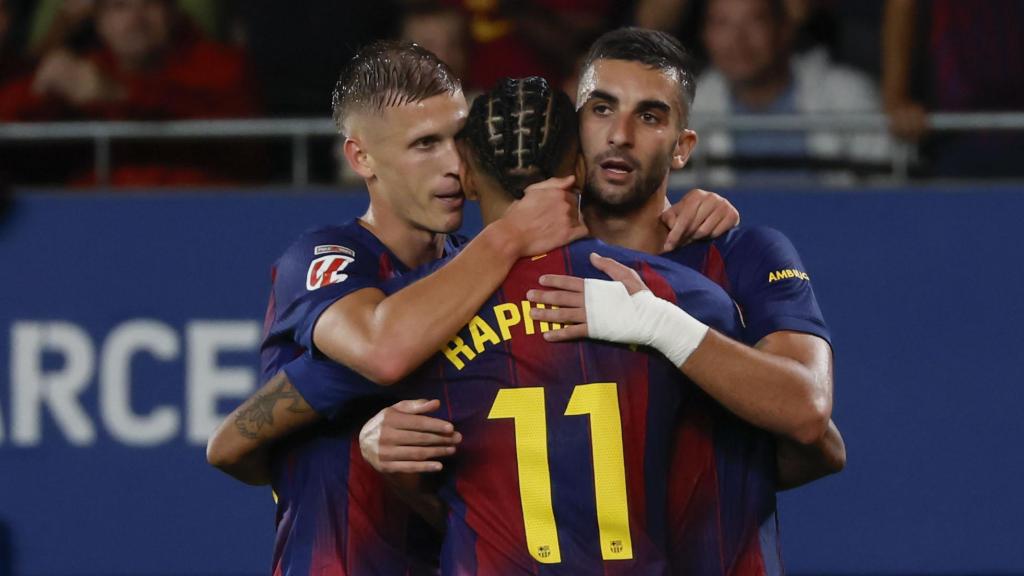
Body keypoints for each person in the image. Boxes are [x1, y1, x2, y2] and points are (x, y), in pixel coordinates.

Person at [365, 28, 844, 574]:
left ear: (683, 147)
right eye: (601, 109)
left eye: (650, 116)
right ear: (573, 131)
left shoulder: (739, 256)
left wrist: (660, 325)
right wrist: (380, 446)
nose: (619, 134)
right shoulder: (481, 275)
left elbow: (814, 426)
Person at [274, 75, 746, 574]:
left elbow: (245, 434)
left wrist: (380, 456)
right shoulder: (687, 299)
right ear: (582, 171)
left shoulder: (418, 318)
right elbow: (781, 454)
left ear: (470, 178)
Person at [0, 0, 261, 186]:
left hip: (202, 214)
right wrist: (36, 91)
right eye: (119, 6)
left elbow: (236, 129)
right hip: (95, 224)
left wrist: (120, 95)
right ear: (99, 22)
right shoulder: (88, 69)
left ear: (172, 12)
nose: (136, 20)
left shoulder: (219, 65)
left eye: (150, 4)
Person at [691, 0, 889, 185]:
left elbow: (887, 185)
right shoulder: (687, 106)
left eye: (755, 21)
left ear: (784, 29)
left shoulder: (847, 93)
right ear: (704, 36)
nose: (738, 40)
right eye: (722, 24)